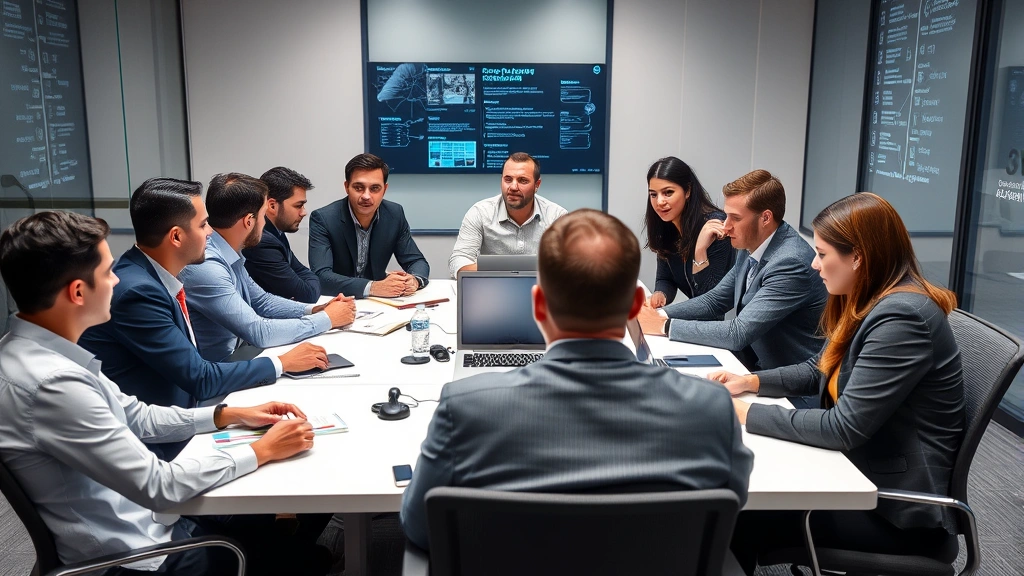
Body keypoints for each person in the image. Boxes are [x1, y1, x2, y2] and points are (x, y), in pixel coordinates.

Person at [0, 211, 333, 576]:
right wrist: (261, 450)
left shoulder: (37, 353)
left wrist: (228, 415)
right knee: (301, 560)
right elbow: (159, 486)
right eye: (108, 272)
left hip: (147, 521)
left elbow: (137, 416)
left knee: (288, 540)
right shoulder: (52, 383)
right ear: (78, 293)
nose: (117, 281)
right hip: (141, 555)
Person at [401, 209, 754, 550]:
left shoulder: (465, 408)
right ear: (635, 305)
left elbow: (419, 527)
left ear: (538, 304)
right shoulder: (710, 409)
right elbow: (728, 510)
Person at [715, 192, 965, 574]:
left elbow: (842, 427)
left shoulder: (902, 318)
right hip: (857, 472)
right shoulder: (869, 299)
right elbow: (820, 367)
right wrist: (749, 381)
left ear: (858, 257)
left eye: (822, 254)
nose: (814, 265)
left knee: (738, 512)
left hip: (893, 510)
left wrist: (744, 413)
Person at [80, 178, 331, 459]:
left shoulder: (152, 277)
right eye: (203, 225)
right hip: (159, 447)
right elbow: (199, 378)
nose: (211, 233)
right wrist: (282, 363)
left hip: (185, 417)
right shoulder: (137, 292)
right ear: (176, 237)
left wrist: (228, 414)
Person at [639, 169, 828, 371]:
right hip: (753, 366)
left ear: (765, 218)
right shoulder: (752, 244)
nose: (726, 226)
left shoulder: (790, 262)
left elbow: (738, 333)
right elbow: (715, 301)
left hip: (791, 385)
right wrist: (659, 315)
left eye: (735, 218)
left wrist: (663, 326)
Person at [179, 173, 356, 363]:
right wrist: (328, 319)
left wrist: (317, 310)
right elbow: (258, 331)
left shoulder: (229, 253)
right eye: (263, 216)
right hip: (223, 372)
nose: (265, 224)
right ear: (249, 221)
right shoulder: (207, 266)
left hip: (242, 356)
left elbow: (262, 301)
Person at [308, 153, 429, 298]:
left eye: (375, 188)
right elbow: (321, 276)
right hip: (338, 300)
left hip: (379, 302)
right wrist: (373, 287)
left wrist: (414, 280)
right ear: (346, 187)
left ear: (384, 189)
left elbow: (416, 261)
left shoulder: (394, 214)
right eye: (358, 188)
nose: (366, 196)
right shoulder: (324, 218)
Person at [448, 152, 568, 277]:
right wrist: (503, 274)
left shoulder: (557, 217)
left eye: (523, 180)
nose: (513, 187)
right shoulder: (480, 212)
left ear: (536, 185)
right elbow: (459, 260)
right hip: (492, 288)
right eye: (508, 179)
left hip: (541, 289)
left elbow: (569, 265)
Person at [644, 156, 736, 307]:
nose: (659, 202)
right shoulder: (667, 225)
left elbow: (711, 304)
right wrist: (661, 294)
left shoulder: (716, 226)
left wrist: (700, 250)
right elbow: (665, 278)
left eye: (668, 192)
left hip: (723, 324)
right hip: (695, 321)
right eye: (653, 194)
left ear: (687, 191)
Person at [242, 166, 321, 303]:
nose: (304, 212)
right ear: (272, 206)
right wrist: (312, 282)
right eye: (298, 206)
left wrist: (311, 281)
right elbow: (307, 294)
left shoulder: (276, 231)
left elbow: (302, 271)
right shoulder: (261, 241)